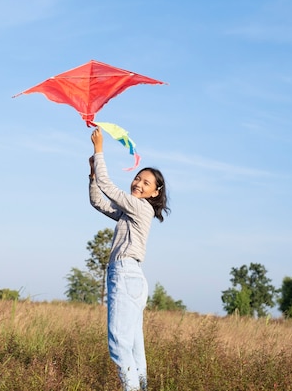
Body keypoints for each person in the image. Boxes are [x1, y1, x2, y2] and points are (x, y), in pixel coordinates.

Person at [88, 127, 170, 391]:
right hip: (132, 277)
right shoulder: (130, 212)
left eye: (146, 183)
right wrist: (92, 176)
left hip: (125, 275)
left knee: (118, 343)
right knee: (134, 346)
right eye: (138, 178)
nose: (138, 183)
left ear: (154, 193)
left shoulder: (139, 206)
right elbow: (99, 202)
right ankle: (141, 387)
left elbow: (108, 186)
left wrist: (99, 149)